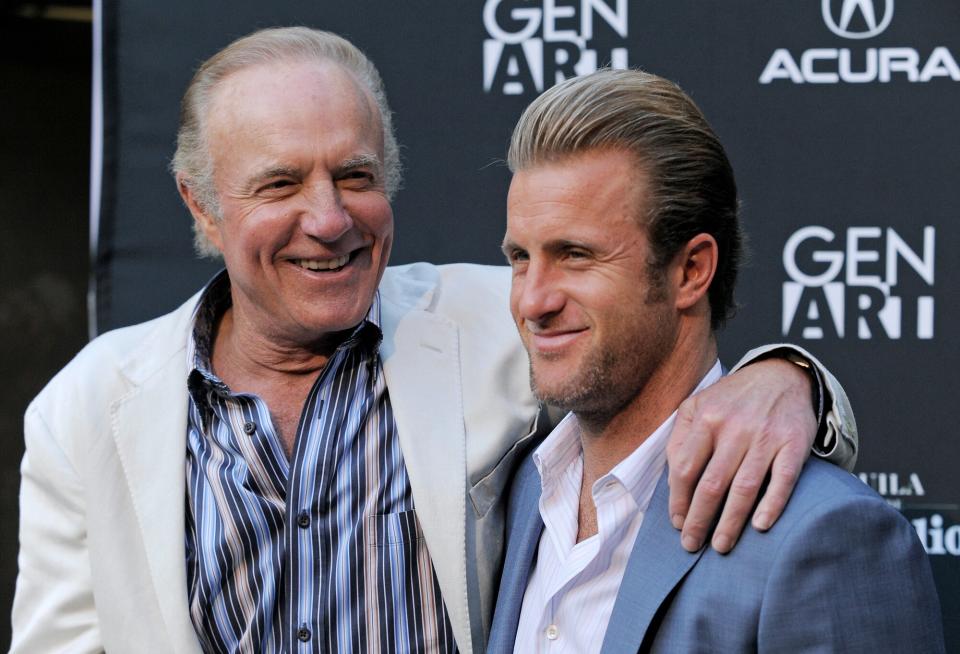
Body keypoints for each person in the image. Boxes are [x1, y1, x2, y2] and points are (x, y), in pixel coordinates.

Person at [12, 28, 858, 654]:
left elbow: (655, 349)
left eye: (355, 175)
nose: (330, 218)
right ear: (201, 205)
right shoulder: (88, 407)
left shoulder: (503, 317)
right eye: (280, 184)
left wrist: (790, 379)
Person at [487, 68, 944, 653]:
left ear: (691, 271)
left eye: (576, 255)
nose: (533, 300)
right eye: (520, 257)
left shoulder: (822, 534)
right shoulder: (517, 488)